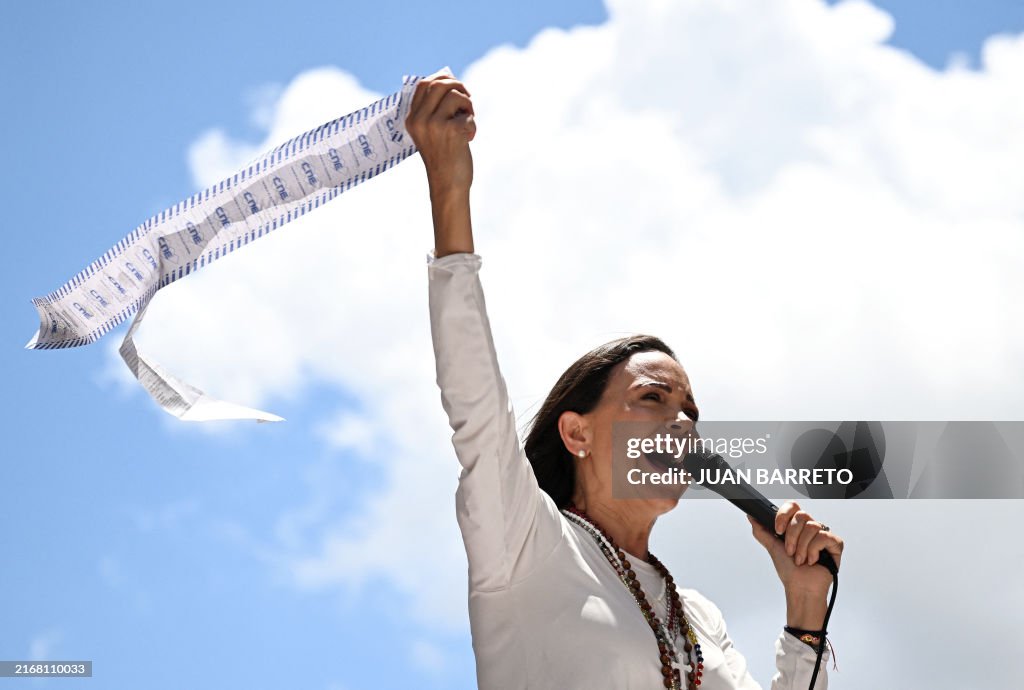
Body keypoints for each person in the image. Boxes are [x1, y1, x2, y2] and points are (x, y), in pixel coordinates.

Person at [406, 74, 844, 690]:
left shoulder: (697, 617)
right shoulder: (525, 540)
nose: (683, 422)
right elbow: (474, 397)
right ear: (576, 432)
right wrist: (449, 185)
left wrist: (805, 611)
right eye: (653, 399)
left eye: (691, 409)